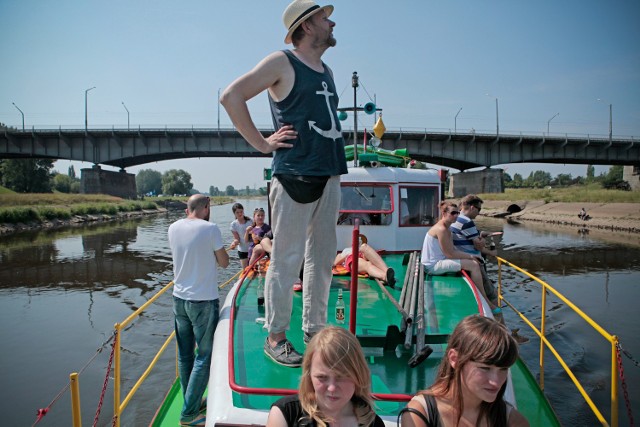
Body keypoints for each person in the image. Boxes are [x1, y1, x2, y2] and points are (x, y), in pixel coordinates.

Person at [220, 0, 347, 367]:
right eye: (325, 17)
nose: (331, 21)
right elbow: (231, 96)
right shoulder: (282, 61)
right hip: (294, 173)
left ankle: (315, 329)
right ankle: (276, 337)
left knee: (322, 259)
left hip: (329, 172)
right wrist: (262, 144)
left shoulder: (326, 70)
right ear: (307, 26)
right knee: (287, 258)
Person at [401, 315, 529, 427]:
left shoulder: (514, 421)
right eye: (485, 368)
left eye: (503, 369)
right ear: (454, 359)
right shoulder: (420, 414)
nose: (496, 382)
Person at [168, 194, 230, 427]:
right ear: (205, 208)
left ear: (187, 209)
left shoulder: (172, 228)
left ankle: (190, 401)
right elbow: (224, 262)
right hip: (202, 301)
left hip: (179, 299)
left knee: (185, 355)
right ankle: (189, 414)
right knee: (204, 356)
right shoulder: (210, 228)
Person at [266, 326, 385, 427]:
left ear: (359, 376)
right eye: (322, 377)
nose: (332, 388)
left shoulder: (373, 423)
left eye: (342, 377)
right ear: (309, 376)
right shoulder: (286, 414)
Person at [421, 201, 499, 313]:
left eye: (457, 213)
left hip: (439, 260)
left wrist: (470, 256)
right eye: (453, 213)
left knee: (473, 261)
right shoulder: (442, 229)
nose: (456, 215)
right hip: (433, 265)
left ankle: (483, 298)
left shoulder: (447, 228)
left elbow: (452, 250)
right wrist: (471, 256)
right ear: (444, 213)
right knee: (474, 265)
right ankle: (486, 301)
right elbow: (450, 254)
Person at [450, 195, 501, 317]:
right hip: (473, 260)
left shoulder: (456, 218)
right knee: (493, 295)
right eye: (479, 210)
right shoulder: (467, 222)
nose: (478, 213)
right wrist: (491, 252)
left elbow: (471, 235)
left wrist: (484, 234)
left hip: (462, 259)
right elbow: (479, 246)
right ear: (472, 207)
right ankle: (500, 326)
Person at [229, 202, 253, 269]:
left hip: (252, 249)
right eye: (237, 212)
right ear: (234, 213)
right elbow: (237, 239)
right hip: (242, 250)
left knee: (253, 270)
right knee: (245, 271)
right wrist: (234, 243)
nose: (240, 214)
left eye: (241, 211)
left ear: (243, 211)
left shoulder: (250, 221)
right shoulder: (233, 225)